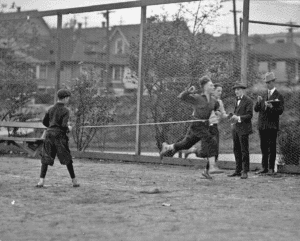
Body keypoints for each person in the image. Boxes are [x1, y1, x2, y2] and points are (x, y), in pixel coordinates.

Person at [160, 76, 220, 179]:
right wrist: (188, 91)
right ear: (205, 87)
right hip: (196, 125)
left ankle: (168, 147)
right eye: (210, 85)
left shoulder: (214, 100)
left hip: (205, 126)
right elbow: (181, 97)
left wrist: (217, 113)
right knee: (211, 140)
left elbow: (216, 108)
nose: (213, 86)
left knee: (186, 144)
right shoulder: (197, 98)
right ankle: (212, 167)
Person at [36, 89, 80, 188]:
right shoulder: (66, 110)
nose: (68, 99)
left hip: (49, 134)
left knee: (46, 158)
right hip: (60, 136)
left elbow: (44, 123)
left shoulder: (50, 109)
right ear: (64, 98)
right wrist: (68, 128)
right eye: (68, 97)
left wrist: (51, 126)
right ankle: (74, 181)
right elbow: (64, 125)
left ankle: (41, 181)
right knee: (67, 158)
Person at [184, 83, 228, 164]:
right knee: (204, 153)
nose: (220, 93)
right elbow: (197, 114)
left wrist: (228, 116)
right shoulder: (204, 100)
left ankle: (210, 169)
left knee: (215, 151)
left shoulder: (219, 102)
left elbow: (223, 114)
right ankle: (193, 150)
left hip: (214, 127)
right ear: (213, 91)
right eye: (218, 91)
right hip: (204, 127)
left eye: (221, 91)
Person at [254, 72, 284, 175]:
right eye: (266, 82)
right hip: (262, 126)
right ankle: (264, 168)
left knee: (272, 147)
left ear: (273, 82)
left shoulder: (278, 95)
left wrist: (272, 107)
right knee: (263, 147)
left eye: (269, 82)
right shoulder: (262, 95)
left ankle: (271, 168)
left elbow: (280, 111)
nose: (268, 84)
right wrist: (258, 102)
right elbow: (256, 109)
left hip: (272, 126)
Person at [228, 82, 253, 179]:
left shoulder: (248, 100)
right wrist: (233, 118)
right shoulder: (236, 100)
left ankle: (245, 171)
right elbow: (237, 113)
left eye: (238, 89)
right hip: (236, 128)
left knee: (244, 150)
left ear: (242, 90)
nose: (236, 91)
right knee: (236, 149)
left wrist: (238, 118)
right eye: (235, 90)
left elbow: (249, 115)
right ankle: (238, 170)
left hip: (244, 129)